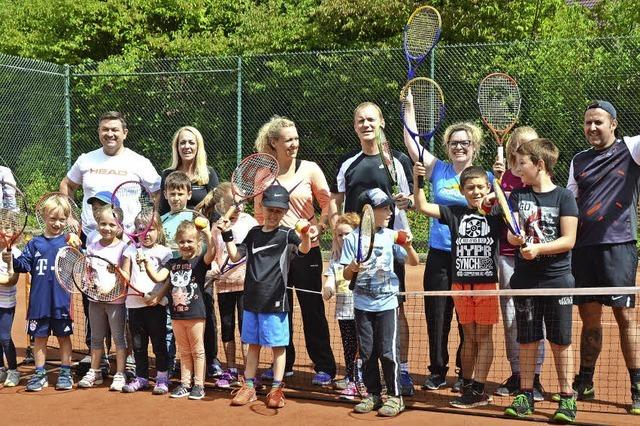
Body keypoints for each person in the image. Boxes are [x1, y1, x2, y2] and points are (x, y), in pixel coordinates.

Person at [403, 89, 491, 390]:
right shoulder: (437, 168)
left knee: (470, 321)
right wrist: (410, 106)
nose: (459, 147)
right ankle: (437, 370)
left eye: (465, 143)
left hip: (472, 257)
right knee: (438, 315)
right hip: (440, 255)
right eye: (454, 143)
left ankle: (463, 372)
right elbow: (411, 142)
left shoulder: (485, 177)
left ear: (474, 147)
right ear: (447, 146)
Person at [330, 102, 415, 396]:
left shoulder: (397, 161)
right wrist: (336, 232)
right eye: (360, 121)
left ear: (381, 122)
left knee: (396, 307)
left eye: (371, 120)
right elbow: (337, 201)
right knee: (353, 310)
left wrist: (407, 204)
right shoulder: (347, 163)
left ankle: (402, 371)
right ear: (355, 126)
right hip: (356, 248)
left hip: (389, 248)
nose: (366, 125)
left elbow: (410, 200)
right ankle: (358, 376)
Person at [567, 100, 640, 415]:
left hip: (619, 245)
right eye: (588, 123)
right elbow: (569, 199)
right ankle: (585, 381)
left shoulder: (632, 148)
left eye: (598, 122)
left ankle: (637, 387)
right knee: (590, 320)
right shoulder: (578, 160)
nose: (592, 128)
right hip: (583, 249)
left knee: (625, 318)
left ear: (614, 123)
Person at [253, 116, 336, 386]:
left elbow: (327, 203)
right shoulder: (263, 176)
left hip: (306, 249)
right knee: (280, 309)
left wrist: (320, 228)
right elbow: (258, 215)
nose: (294, 144)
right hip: (276, 255)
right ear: (274, 142)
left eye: (296, 138)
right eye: (288, 139)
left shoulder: (310, 169)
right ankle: (284, 364)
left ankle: (324, 366)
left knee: (312, 308)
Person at [504, 138, 579, 422]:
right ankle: (525, 393)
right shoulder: (517, 196)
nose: (518, 169)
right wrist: (515, 239)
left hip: (557, 279)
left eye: (522, 164)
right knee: (527, 339)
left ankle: (567, 397)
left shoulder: (564, 197)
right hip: (525, 279)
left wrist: (538, 248)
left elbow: (568, 239)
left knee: (561, 341)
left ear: (540, 164)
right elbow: (512, 233)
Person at [412, 165, 500, 408]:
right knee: (469, 338)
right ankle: (469, 384)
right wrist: (417, 179)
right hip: (460, 284)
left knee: (483, 337)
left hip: (485, 285)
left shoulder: (495, 212)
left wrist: (497, 187)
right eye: (470, 188)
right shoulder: (453, 212)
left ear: (488, 188)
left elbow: (508, 199)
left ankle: (479, 389)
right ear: (462, 191)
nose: (476, 192)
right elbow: (421, 206)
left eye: (481, 187)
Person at [219, 185, 311, 409]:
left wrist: (306, 235)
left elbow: (306, 250)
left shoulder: (288, 234)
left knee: (279, 347)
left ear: (284, 212)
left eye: (278, 211)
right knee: (253, 346)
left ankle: (276, 389)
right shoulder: (253, 233)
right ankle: (249, 386)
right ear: (262, 208)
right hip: (252, 301)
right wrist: (226, 232)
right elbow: (234, 255)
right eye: (270, 209)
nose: (273, 215)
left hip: (276, 302)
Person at [342, 189, 419, 417]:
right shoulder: (351, 239)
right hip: (362, 305)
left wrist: (408, 246)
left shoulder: (391, 235)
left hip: (387, 304)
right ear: (367, 212)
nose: (389, 212)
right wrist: (352, 268)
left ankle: (396, 397)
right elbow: (346, 275)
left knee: (388, 351)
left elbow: (413, 262)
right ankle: (373, 394)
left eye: (389, 207)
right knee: (367, 352)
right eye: (384, 208)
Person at [492, 127, 546, 401]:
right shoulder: (503, 178)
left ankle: (534, 377)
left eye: (533, 145)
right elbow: (492, 210)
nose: (529, 149)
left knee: (537, 318)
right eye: (523, 145)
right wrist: (497, 182)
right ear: (513, 149)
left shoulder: (541, 176)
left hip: (536, 258)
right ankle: (517, 374)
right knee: (512, 319)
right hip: (507, 256)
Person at [143, 219, 216, 400]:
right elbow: (158, 277)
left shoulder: (199, 261)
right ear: (177, 242)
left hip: (196, 314)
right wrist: (146, 264)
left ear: (197, 242)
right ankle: (185, 383)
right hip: (177, 314)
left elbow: (212, 253)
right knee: (183, 351)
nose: (185, 245)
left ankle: (199, 385)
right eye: (182, 241)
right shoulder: (173, 263)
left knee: (198, 350)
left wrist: (207, 232)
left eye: (190, 241)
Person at [59, 111, 161, 236]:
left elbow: (159, 191)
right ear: (99, 132)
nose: (110, 134)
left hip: (127, 238)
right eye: (105, 129)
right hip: (88, 236)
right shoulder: (85, 160)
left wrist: (151, 221)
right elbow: (66, 185)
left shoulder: (140, 162)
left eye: (114, 130)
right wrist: (70, 216)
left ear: (125, 133)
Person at [161, 170, 222, 377]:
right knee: (170, 324)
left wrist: (206, 265)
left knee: (201, 321)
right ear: (165, 195)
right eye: (172, 194)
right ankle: (171, 366)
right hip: (171, 279)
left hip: (196, 279)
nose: (176, 198)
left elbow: (205, 246)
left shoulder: (197, 218)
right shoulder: (162, 220)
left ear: (188, 194)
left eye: (180, 193)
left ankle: (205, 367)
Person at [12, 195, 75, 391]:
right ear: (43, 217)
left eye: (62, 219)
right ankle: (40, 374)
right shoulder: (34, 244)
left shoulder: (68, 242)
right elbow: (23, 266)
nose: (57, 223)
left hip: (61, 301)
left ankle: (65, 372)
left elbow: (80, 262)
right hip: (39, 302)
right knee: (39, 338)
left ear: (67, 220)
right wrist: (11, 257)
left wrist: (75, 240)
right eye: (53, 219)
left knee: (64, 337)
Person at [203, 182, 257, 388]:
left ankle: (248, 372)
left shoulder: (250, 223)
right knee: (227, 328)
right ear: (221, 207)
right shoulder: (217, 228)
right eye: (233, 204)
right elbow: (214, 254)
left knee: (246, 330)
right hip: (224, 286)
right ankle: (231, 369)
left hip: (246, 285)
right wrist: (215, 267)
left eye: (240, 203)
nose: (238, 208)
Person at [77, 205, 130, 392]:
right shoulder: (92, 246)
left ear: (119, 227)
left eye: (111, 225)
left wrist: (117, 271)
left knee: (119, 339)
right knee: (96, 338)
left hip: (116, 302)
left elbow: (126, 276)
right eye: (102, 223)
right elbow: (87, 271)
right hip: (95, 301)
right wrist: (88, 282)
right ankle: (95, 371)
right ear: (97, 224)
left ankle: (120, 373)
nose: (107, 228)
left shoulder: (124, 248)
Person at [121, 212, 173, 394]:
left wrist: (158, 296)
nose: (147, 233)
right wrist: (118, 273)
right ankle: (141, 377)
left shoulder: (165, 252)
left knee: (159, 344)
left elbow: (168, 280)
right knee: (138, 345)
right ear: (136, 232)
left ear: (159, 230)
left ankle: (162, 378)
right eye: (142, 230)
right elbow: (126, 275)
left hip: (155, 306)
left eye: (151, 229)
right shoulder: (130, 250)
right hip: (134, 306)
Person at [322, 212, 364, 400]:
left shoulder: (362, 258)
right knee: (348, 345)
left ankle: (359, 380)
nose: (343, 238)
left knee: (361, 347)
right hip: (344, 313)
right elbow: (330, 279)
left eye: (347, 233)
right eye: (339, 235)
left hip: (362, 311)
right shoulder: (335, 260)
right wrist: (328, 288)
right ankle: (350, 377)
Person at [158, 126, 220, 217]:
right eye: (182, 143)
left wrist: (214, 229)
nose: (187, 146)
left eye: (191, 143)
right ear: (177, 147)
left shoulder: (209, 173)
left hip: (202, 227)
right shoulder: (167, 174)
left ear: (198, 146)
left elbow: (216, 206)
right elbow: (163, 208)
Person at [0, 246, 21, 387]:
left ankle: (13, 370)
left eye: (8, 228)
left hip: (6, 302)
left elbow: (12, 280)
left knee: (4, 337)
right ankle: (1, 368)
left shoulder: (16, 253)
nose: (4, 233)